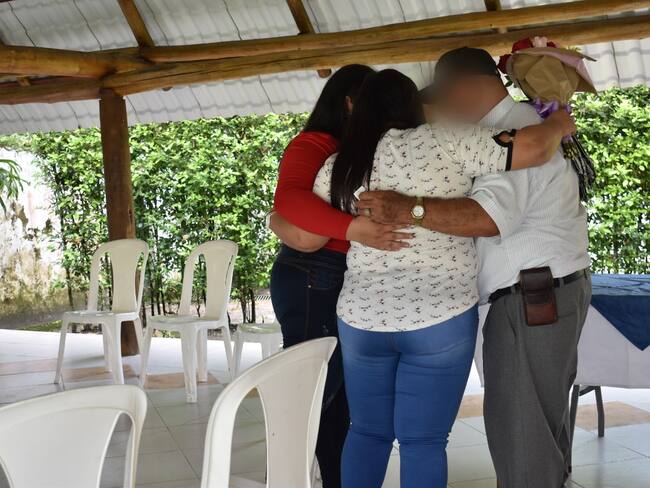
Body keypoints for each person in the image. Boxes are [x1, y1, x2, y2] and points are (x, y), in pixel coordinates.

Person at [311, 68, 576, 488]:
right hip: (439, 316)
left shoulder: (337, 166)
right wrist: (558, 121)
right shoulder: (447, 139)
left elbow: (303, 229)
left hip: (362, 318)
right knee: (423, 442)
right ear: (413, 105)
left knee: (366, 432)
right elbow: (533, 148)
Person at [269, 64, 413, 488]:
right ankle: (293, 475)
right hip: (313, 274)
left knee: (339, 395)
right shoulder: (317, 143)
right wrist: (352, 229)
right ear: (349, 103)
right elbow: (290, 201)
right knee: (318, 389)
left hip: (336, 275)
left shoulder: (370, 150)